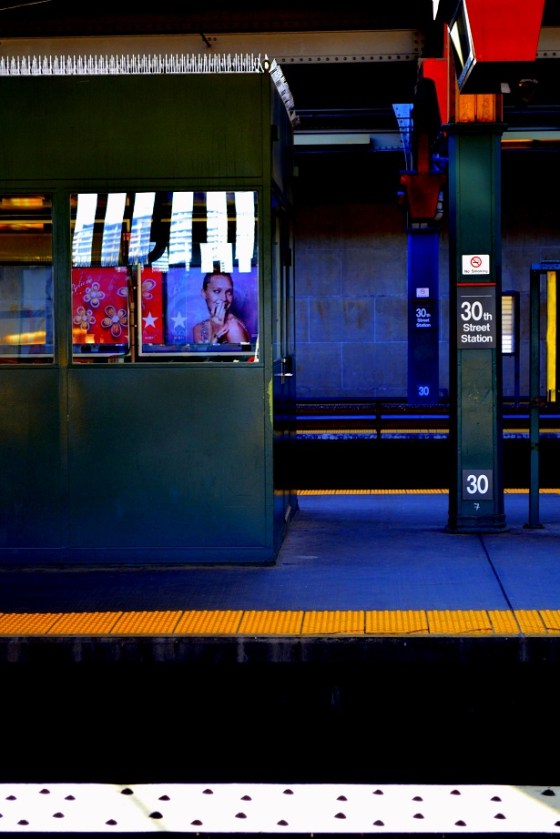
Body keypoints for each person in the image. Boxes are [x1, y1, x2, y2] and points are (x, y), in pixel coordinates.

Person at [193, 271, 250, 344]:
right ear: (204, 293)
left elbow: (246, 355)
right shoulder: (199, 328)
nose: (224, 298)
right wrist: (215, 333)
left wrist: (217, 334)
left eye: (229, 292)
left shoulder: (233, 327)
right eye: (217, 291)